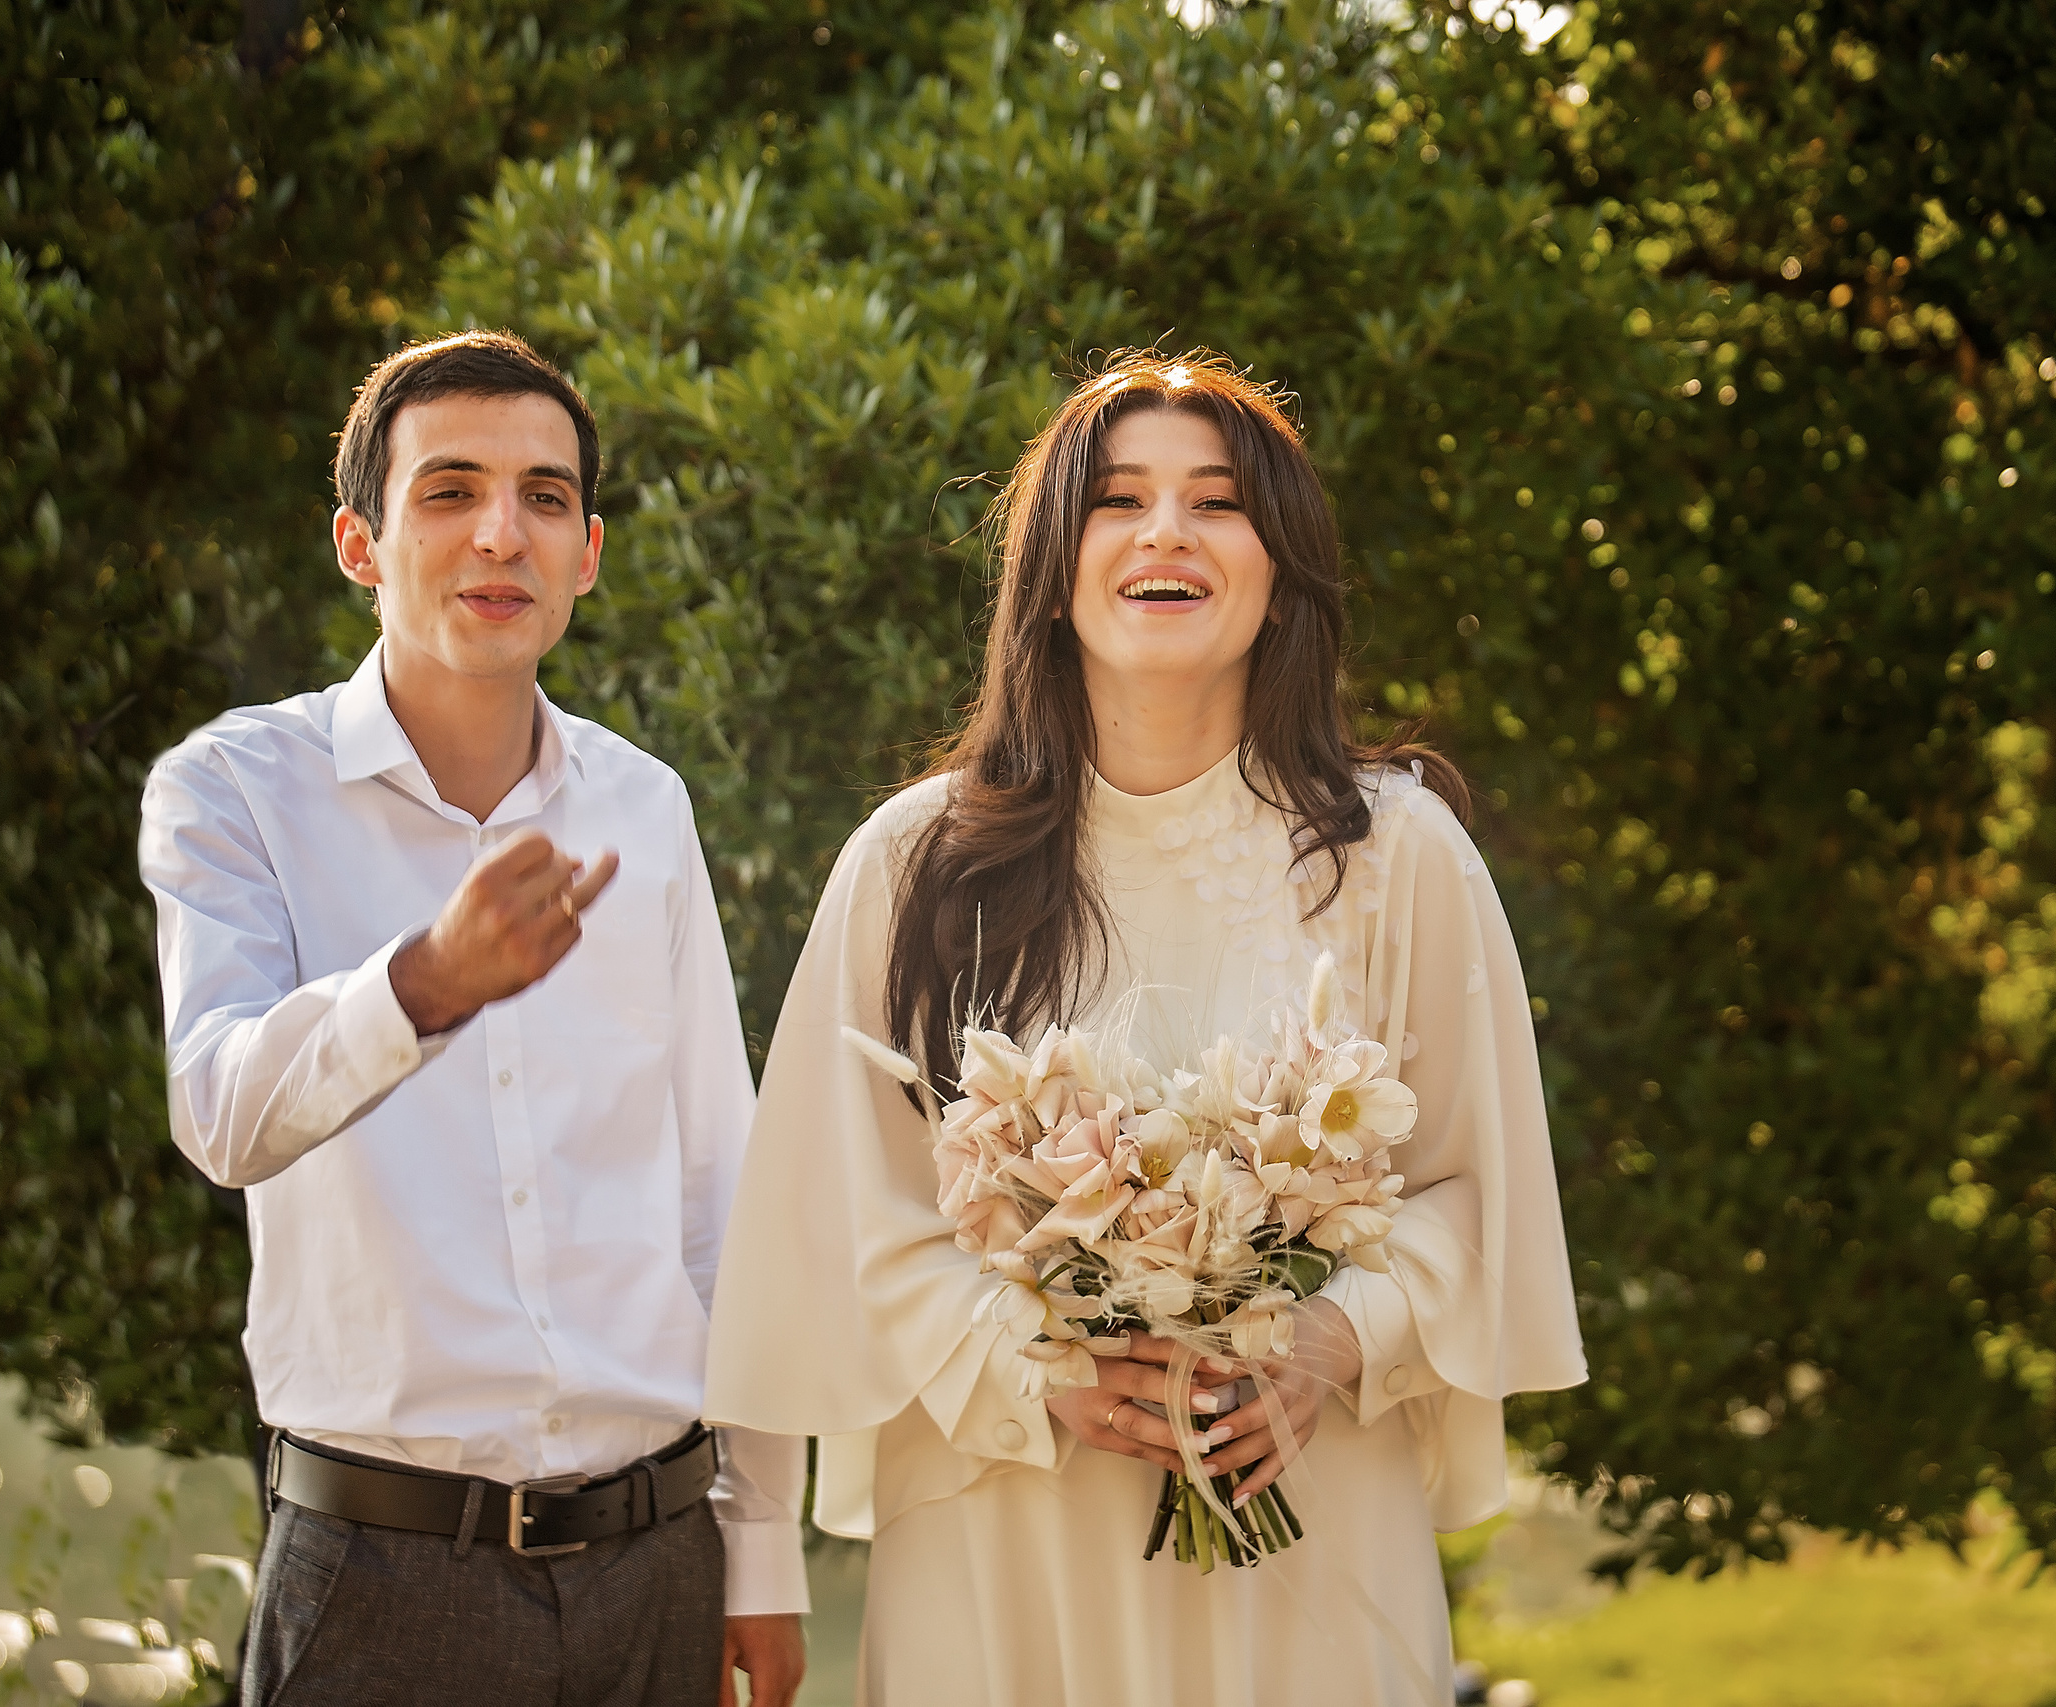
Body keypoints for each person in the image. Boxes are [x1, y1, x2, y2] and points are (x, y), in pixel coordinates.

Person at [705, 351, 1587, 1703]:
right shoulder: (912, 865)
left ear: (1282, 568)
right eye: (1119, 500)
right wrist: (1035, 1366)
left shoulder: (1395, 856)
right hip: (1007, 1535)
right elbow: (836, 1216)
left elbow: (1479, 1192)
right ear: (1051, 568)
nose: (1166, 531)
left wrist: (1328, 1338)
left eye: (1217, 502)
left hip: (1304, 1527)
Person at [138, 330, 807, 1707]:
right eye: (449, 491)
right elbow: (219, 1115)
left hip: (657, 1567)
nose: (502, 533)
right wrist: (422, 983)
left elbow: (718, 1193)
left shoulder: (646, 808)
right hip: (380, 1579)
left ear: (587, 554)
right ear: (360, 544)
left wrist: (760, 1548)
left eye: (544, 497)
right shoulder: (235, 790)